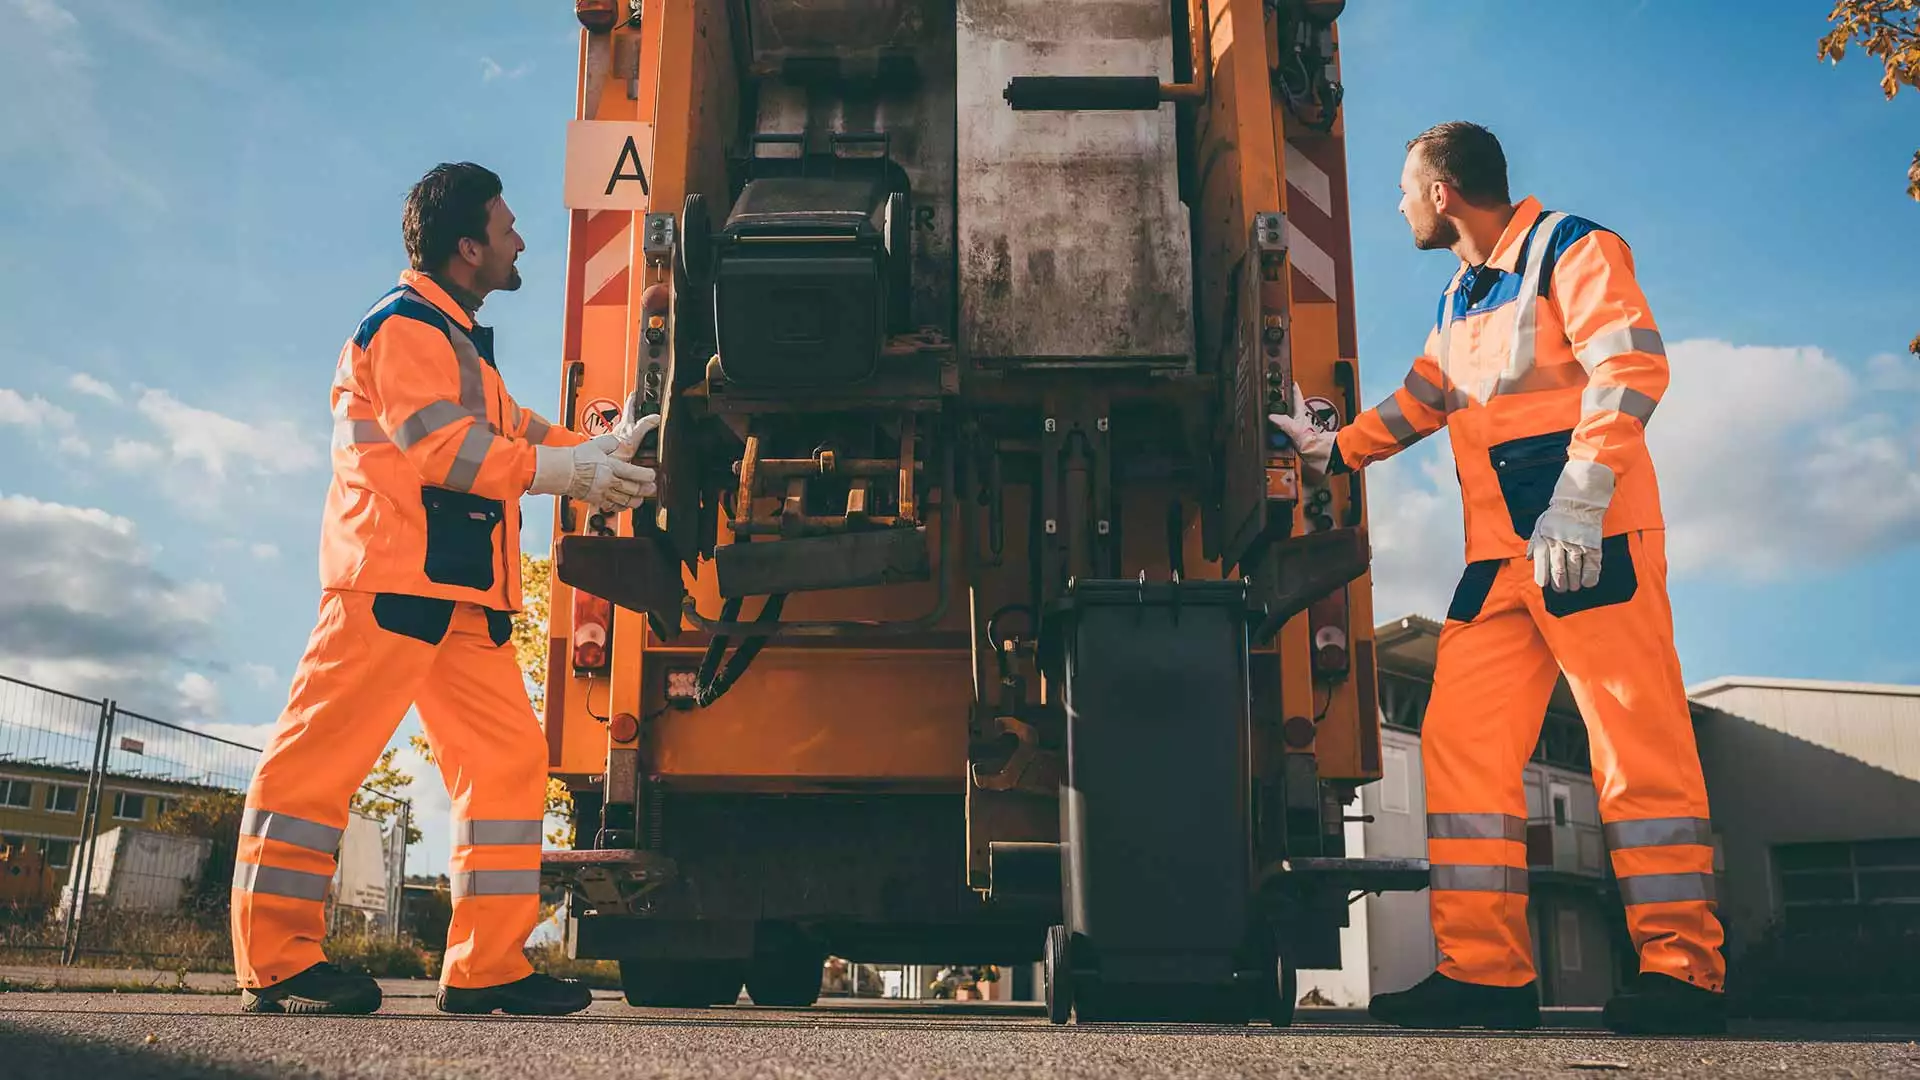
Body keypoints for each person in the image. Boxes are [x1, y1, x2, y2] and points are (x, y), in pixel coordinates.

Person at [1270, 122, 1726, 1035]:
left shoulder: (1574, 248)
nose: (1398, 204)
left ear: (1442, 193)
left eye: (1404, 189)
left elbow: (1631, 365)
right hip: (1503, 563)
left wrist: (1584, 498)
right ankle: (1486, 973)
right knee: (1459, 742)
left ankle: (1683, 969)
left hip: (1591, 543)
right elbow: (1426, 400)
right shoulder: (1459, 300)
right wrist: (1335, 450)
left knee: (1636, 748)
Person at [230, 162, 657, 1016]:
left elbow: (514, 429)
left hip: (458, 600)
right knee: (315, 767)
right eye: (506, 228)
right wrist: (563, 472)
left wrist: (600, 451)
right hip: (387, 588)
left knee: (508, 765)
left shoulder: (456, 343)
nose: (520, 240)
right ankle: (277, 962)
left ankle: (487, 966)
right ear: (469, 248)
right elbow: (442, 450)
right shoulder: (402, 330)